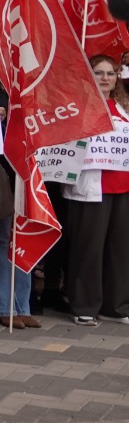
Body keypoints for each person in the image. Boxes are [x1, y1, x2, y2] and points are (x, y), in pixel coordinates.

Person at [64, 55, 129, 326]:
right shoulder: (75, 108)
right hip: (91, 188)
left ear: (117, 78)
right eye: (99, 73)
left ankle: (116, 306)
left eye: (110, 73)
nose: (105, 78)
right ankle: (84, 305)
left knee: (120, 248)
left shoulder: (124, 108)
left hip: (122, 187)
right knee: (88, 248)